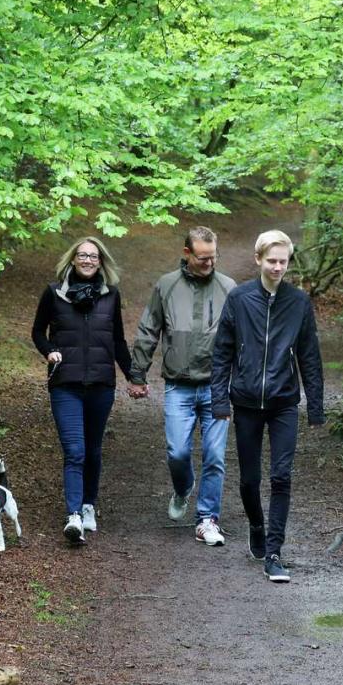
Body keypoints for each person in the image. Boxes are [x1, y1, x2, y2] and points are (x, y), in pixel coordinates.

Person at [210, 230, 324, 583]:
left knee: (281, 476)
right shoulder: (240, 299)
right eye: (271, 260)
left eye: (283, 261)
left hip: (284, 402)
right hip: (245, 401)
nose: (277, 267)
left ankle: (274, 553)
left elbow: (309, 355)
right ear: (258, 259)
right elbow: (222, 352)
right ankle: (256, 524)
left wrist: (315, 406)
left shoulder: (299, 303)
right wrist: (219, 400)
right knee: (249, 480)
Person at [127, 227, 238, 547]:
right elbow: (148, 330)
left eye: (213, 257)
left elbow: (243, 337)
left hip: (218, 386)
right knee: (178, 452)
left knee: (215, 455)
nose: (209, 263)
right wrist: (138, 374)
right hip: (178, 385)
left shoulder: (229, 287)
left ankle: (207, 518)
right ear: (187, 252)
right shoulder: (166, 285)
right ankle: (183, 487)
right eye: (203, 257)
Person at [31, 237, 133, 545]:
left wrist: (133, 376)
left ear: (101, 261)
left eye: (93, 256)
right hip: (66, 385)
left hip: (101, 385)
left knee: (93, 449)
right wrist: (49, 350)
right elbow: (37, 332)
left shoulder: (111, 296)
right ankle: (73, 515)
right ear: (73, 260)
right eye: (82, 255)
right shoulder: (54, 293)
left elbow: (117, 341)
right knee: (75, 450)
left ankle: (89, 505)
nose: (88, 260)